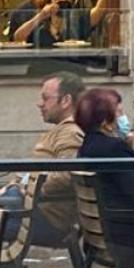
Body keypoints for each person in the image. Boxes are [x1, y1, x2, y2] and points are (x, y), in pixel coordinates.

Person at [76, 87, 134, 268]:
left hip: (102, 241)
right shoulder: (113, 150)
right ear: (106, 122)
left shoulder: (87, 148)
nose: (124, 118)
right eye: (120, 113)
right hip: (132, 245)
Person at [30, 72, 86, 242]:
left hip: (47, 218)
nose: (40, 104)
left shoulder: (70, 132)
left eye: (46, 98)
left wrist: (26, 187)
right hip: (36, 208)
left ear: (66, 100)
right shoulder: (63, 130)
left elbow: (65, 176)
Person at [10, 0, 109, 45]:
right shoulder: (39, 26)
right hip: (41, 70)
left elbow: (98, 11)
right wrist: (41, 15)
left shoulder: (76, 22)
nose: (63, 1)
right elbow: (18, 37)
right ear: (50, 1)